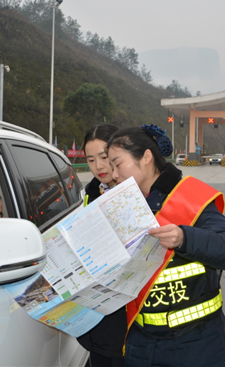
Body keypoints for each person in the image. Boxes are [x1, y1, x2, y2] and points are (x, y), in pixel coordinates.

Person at [107, 124, 225, 367]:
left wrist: (185, 238)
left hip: (197, 344)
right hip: (141, 342)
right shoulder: (121, 207)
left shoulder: (189, 197)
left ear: (146, 157)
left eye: (118, 164)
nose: (114, 174)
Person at [77, 124, 127, 367]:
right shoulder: (88, 195)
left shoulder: (138, 193)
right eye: (90, 159)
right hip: (101, 313)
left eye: (104, 158)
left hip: (133, 314)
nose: (98, 166)